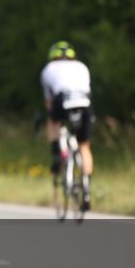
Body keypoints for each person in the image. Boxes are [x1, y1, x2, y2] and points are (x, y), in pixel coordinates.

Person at [41, 41, 94, 211]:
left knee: (52, 120)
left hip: (63, 99)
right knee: (84, 145)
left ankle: (57, 152)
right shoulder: (82, 66)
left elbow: (49, 102)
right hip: (84, 102)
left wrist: (53, 117)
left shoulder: (48, 69)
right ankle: (86, 189)